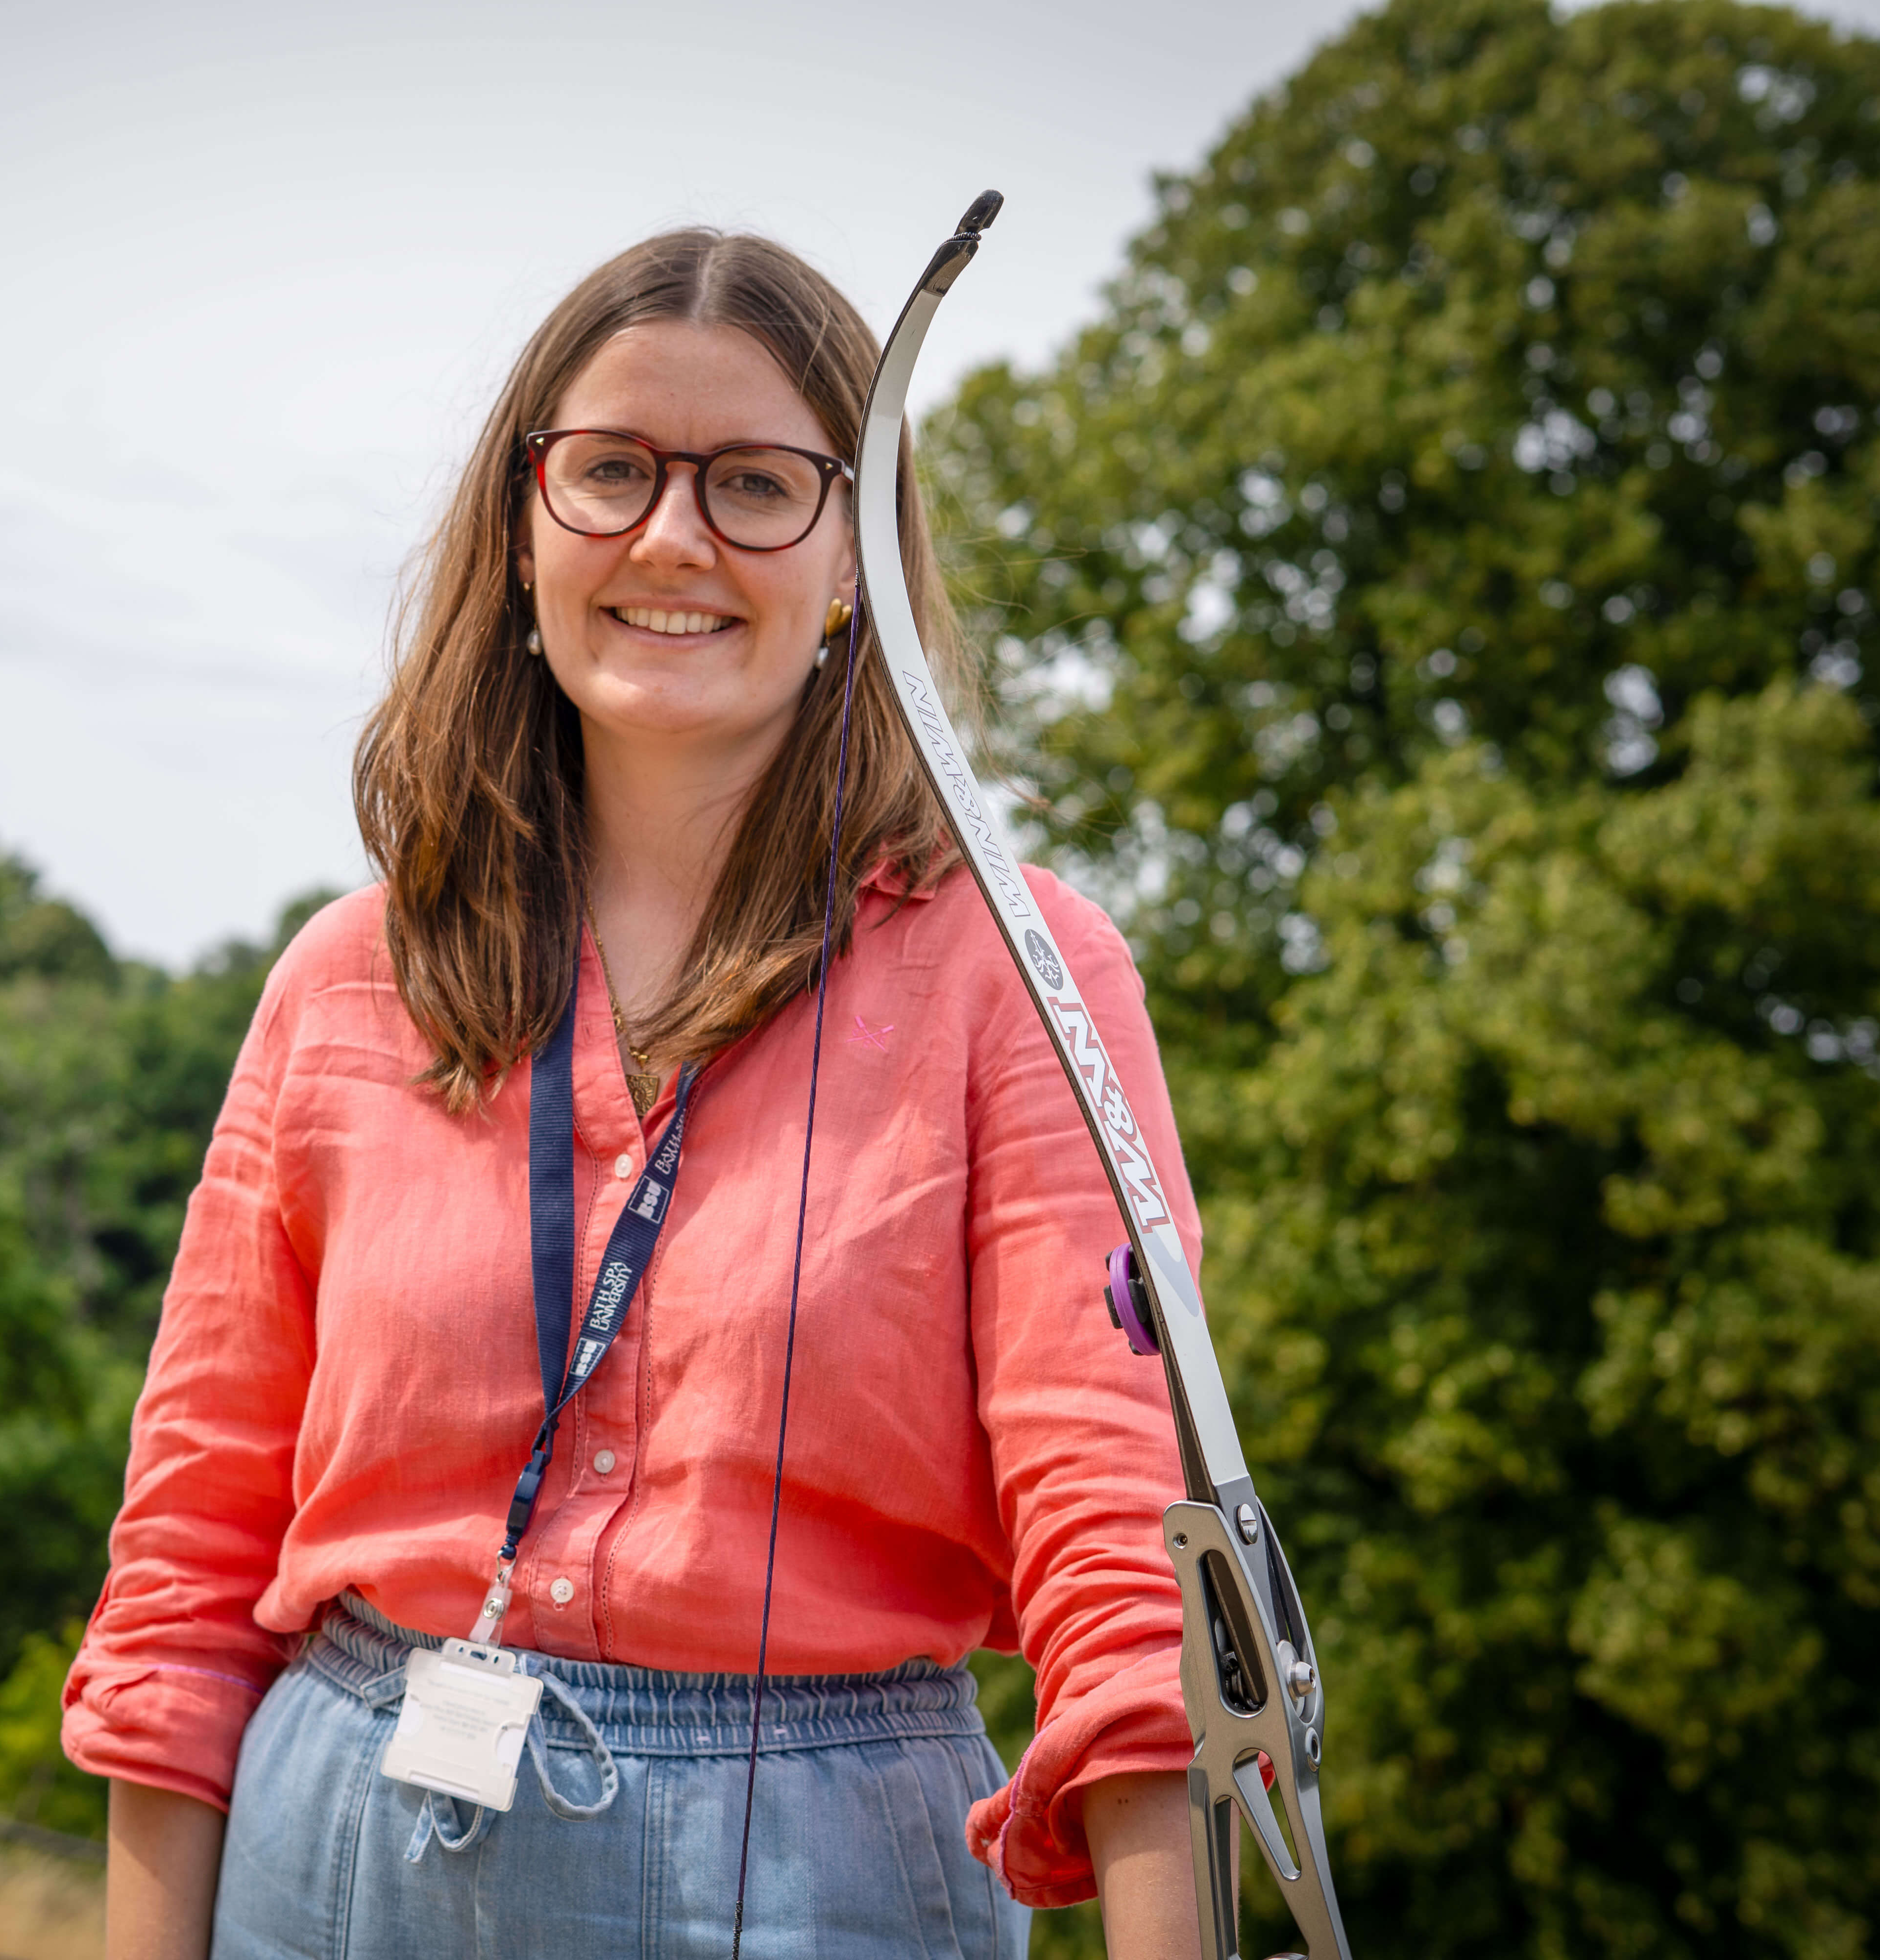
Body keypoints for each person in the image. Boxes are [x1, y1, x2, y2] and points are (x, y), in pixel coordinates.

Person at [63, 227, 1203, 1960]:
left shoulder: (1024, 975)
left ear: (856, 560)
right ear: (524, 531)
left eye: (755, 483)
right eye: (610, 472)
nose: (673, 537)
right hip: (328, 1858)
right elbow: (188, 1559)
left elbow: (1128, 1569)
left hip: (819, 1871)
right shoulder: (346, 977)